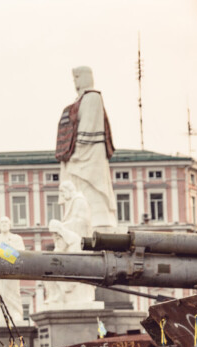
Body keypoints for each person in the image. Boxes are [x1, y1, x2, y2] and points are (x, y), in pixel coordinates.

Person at [55, 66, 118, 231]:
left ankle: (96, 218)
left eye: (77, 77)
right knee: (74, 181)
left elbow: (89, 127)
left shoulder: (92, 98)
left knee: (89, 187)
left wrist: (76, 153)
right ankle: (78, 217)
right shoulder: (80, 100)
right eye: (73, 78)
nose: (75, 81)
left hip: (89, 155)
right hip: (79, 153)